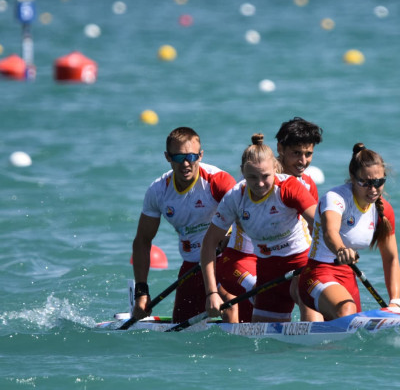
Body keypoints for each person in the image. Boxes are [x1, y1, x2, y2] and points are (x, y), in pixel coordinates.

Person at [215, 118, 324, 322]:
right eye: (296, 154)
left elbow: (315, 229)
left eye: (308, 154)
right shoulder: (256, 179)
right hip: (245, 259)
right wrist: (228, 233)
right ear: (280, 149)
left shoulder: (307, 185)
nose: (302, 161)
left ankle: (313, 343)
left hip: (288, 261)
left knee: (308, 289)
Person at [131, 127, 236, 323]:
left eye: (192, 156)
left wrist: (232, 234)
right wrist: (141, 292)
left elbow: (247, 216)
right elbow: (142, 242)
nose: (186, 163)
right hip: (192, 264)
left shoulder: (218, 181)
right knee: (180, 328)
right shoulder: (158, 191)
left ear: (201, 155)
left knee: (229, 302)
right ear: (167, 157)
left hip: (226, 259)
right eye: (178, 158)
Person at [299, 143, 400, 320]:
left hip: (348, 278)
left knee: (354, 330)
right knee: (347, 311)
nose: (373, 189)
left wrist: (395, 301)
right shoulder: (336, 199)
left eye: (379, 182)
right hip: (317, 274)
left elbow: (391, 258)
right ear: (353, 179)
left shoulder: (384, 210)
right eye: (366, 183)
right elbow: (330, 232)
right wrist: (341, 250)